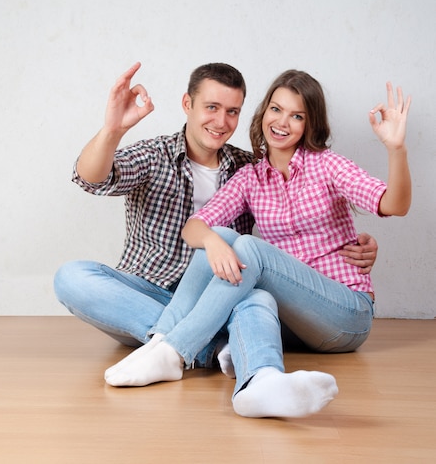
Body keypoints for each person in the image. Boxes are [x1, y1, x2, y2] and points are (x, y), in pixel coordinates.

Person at [104, 70, 411, 419]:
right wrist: (214, 242)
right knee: (244, 278)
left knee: (246, 247)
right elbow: (194, 227)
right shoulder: (250, 177)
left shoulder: (327, 165)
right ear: (263, 112)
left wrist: (396, 149)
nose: (282, 122)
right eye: (276, 110)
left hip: (345, 314)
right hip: (293, 322)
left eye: (297, 116)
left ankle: (172, 349)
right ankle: (257, 385)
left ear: (310, 124)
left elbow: (394, 204)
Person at [54, 62, 378, 371]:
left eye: (232, 111)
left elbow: (293, 225)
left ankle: (179, 343)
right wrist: (113, 129)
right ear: (187, 104)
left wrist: (347, 246)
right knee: (72, 277)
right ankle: (207, 345)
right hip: (147, 292)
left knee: (256, 297)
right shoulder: (155, 154)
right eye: (211, 107)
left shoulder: (248, 169)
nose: (221, 122)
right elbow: (91, 178)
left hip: (219, 296)